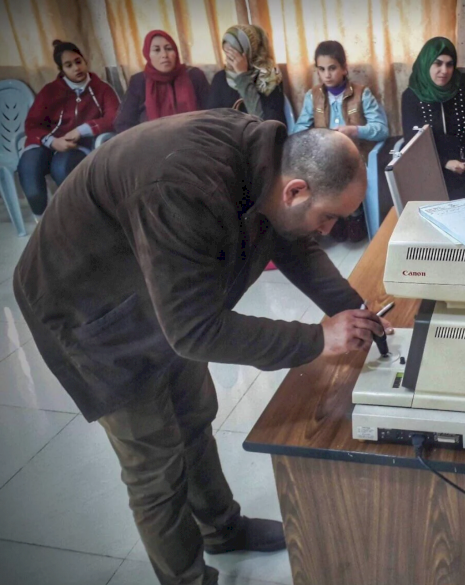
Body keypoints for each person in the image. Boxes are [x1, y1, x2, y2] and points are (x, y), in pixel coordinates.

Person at [13, 110, 394, 585]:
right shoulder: (183, 187)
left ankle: (222, 529)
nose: (330, 231)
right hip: (86, 307)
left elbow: (293, 240)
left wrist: (357, 311)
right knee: (155, 460)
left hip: (156, 289)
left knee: (194, 414)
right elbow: (193, 331)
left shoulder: (267, 162)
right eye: (329, 217)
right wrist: (318, 338)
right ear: (296, 190)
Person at [293, 40, 390, 241]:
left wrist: (355, 130)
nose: (327, 74)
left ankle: (355, 216)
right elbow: (299, 129)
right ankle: (330, 220)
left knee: (347, 180)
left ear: (344, 68)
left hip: (355, 158)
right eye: (322, 69)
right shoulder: (314, 96)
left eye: (333, 68)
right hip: (325, 159)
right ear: (317, 70)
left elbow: (381, 129)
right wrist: (314, 138)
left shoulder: (362, 94)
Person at [18, 40, 119, 219]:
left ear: (85, 60)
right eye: (68, 65)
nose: (76, 68)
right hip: (45, 141)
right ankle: (42, 224)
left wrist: (82, 130)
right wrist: (52, 141)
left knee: (62, 169)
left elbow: (114, 118)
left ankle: (79, 220)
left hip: (77, 146)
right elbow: (32, 124)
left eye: (78, 61)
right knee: (29, 174)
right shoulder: (49, 91)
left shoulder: (102, 89)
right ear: (62, 70)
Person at [402, 37, 465, 200]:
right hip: (430, 171)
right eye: (438, 63)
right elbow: (412, 143)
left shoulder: (463, 83)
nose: (445, 70)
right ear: (426, 63)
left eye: (449, 64)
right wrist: (445, 163)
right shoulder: (411, 96)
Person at [115, 30, 209, 132]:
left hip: (194, 138)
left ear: (176, 52)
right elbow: (123, 123)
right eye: (156, 50)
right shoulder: (139, 81)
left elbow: (212, 113)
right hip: (152, 143)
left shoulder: (194, 76)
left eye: (169, 49)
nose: (164, 55)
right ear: (147, 54)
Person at [207, 24, 286, 124]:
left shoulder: (269, 79)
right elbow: (211, 120)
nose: (228, 59)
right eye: (226, 53)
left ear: (249, 52)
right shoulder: (220, 78)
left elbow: (264, 124)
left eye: (233, 54)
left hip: (257, 136)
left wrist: (242, 77)